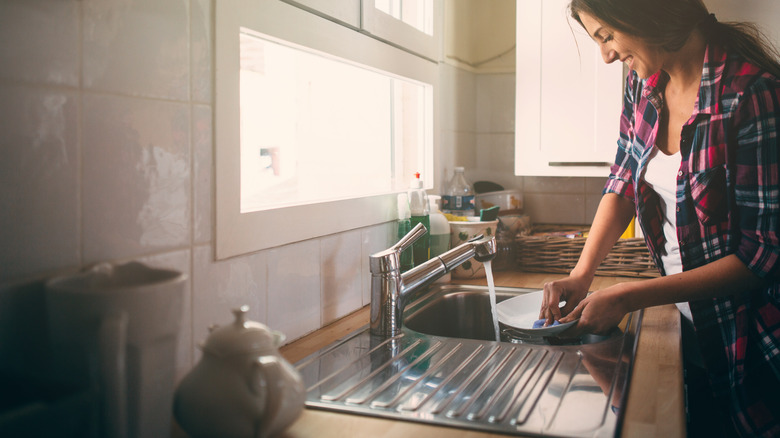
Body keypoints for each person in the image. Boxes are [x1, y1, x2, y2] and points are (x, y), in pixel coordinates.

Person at [537, 0, 780, 436]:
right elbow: (623, 179)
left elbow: (760, 256)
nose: (606, 55)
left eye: (608, 36)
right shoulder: (642, 86)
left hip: (751, 346)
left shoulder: (752, 94)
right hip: (688, 330)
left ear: (643, 12)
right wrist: (580, 275)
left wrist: (632, 296)